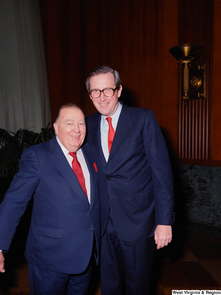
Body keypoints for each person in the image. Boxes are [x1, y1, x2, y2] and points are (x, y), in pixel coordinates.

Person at [0, 104, 100, 295]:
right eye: (69, 123)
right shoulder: (37, 156)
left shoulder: (90, 154)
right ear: (55, 127)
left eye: (81, 123)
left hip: (85, 257)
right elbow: (14, 201)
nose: (77, 130)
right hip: (50, 260)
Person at [85, 66, 175, 295]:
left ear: (119, 90)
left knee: (138, 286)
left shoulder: (143, 118)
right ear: (90, 95)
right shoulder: (88, 124)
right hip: (103, 222)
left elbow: (162, 173)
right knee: (110, 285)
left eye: (107, 89)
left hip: (138, 221)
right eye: (95, 91)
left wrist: (164, 222)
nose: (102, 97)